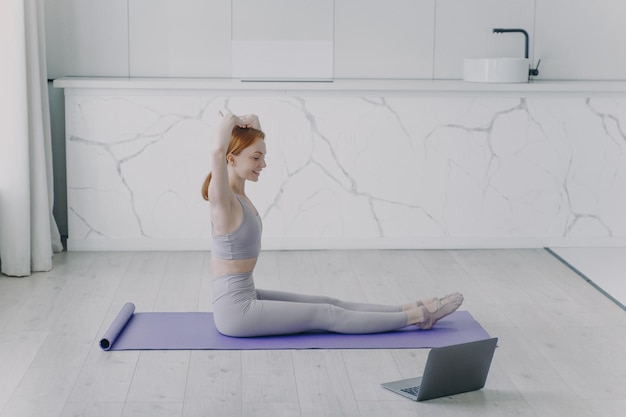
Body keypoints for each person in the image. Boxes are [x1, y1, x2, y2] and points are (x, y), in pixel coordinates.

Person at [202, 112, 463, 337]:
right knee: (325, 314)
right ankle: (418, 317)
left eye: (263, 157)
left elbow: (231, 148)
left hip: (246, 295)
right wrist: (231, 121)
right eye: (256, 158)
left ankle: (405, 308)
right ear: (231, 160)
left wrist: (252, 123)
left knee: (329, 302)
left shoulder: (239, 195)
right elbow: (216, 150)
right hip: (235, 311)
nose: (264, 164)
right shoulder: (223, 201)